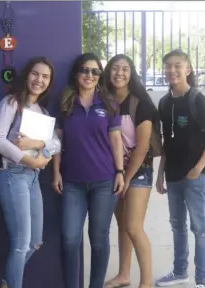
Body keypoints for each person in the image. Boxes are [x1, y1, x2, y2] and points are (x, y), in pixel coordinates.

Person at [52, 52, 125, 288]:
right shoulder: (64, 102)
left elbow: (116, 141)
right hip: (72, 182)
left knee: (99, 240)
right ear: (76, 73)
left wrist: (121, 172)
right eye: (85, 70)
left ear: (99, 76)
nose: (89, 75)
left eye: (95, 71)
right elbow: (57, 142)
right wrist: (56, 172)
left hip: (104, 181)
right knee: (70, 239)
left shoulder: (108, 103)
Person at [0, 56, 62, 288]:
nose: (39, 80)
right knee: (21, 243)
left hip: (32, 179)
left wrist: (39, 145)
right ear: (26, 75)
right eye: (35, 74)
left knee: (35, 242)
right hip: (11, 175)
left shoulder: (41, 110)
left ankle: (7, 283)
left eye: (45, 76)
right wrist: (30, 160)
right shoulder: (11, 103)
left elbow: (57, 144)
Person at [154, 49, 205, 288]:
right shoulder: (164, 102)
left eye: (177, 65)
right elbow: (166, 143)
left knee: (198, 227)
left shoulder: (197, 100)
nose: (172, 70)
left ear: (188, 70)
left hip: (195, 176)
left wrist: (197, 169)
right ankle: (180, 271)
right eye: (168, 66)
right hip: (172, 175)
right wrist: (160, 174)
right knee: (177, 225)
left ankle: (202, 279)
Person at [103, 54, 159, 288]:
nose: (119, 73)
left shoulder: (141, 104)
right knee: (123, 223)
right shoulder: (104, 100)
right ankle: (123, 274)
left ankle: (145, 283)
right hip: (114, 171)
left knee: (134, 227)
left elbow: (143, 146)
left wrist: (126, 178)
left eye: (125, 69)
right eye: (115, 68)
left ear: (131, 73)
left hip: (138, 171)